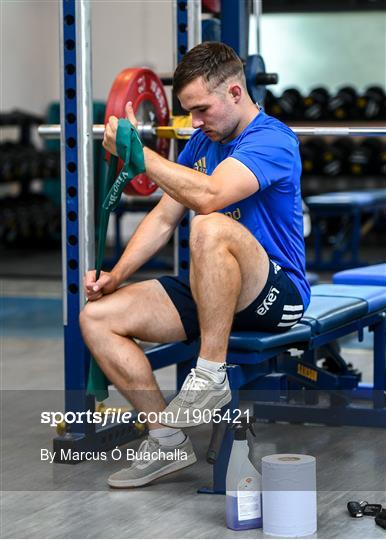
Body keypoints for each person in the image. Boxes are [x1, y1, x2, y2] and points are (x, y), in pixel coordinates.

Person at [80, 42, 311, 488]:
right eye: (189, 113)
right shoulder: (204, 142)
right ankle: (166, 441)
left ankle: (210, 374)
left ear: (237, 94)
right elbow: (164, 217)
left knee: (209, 224)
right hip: (213, 287)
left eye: (202, 110)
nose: (196, 123)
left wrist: (139, 154)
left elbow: (208, 198)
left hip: (275, 293)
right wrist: (116, 276)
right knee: (97, 318)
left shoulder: (273, 139)